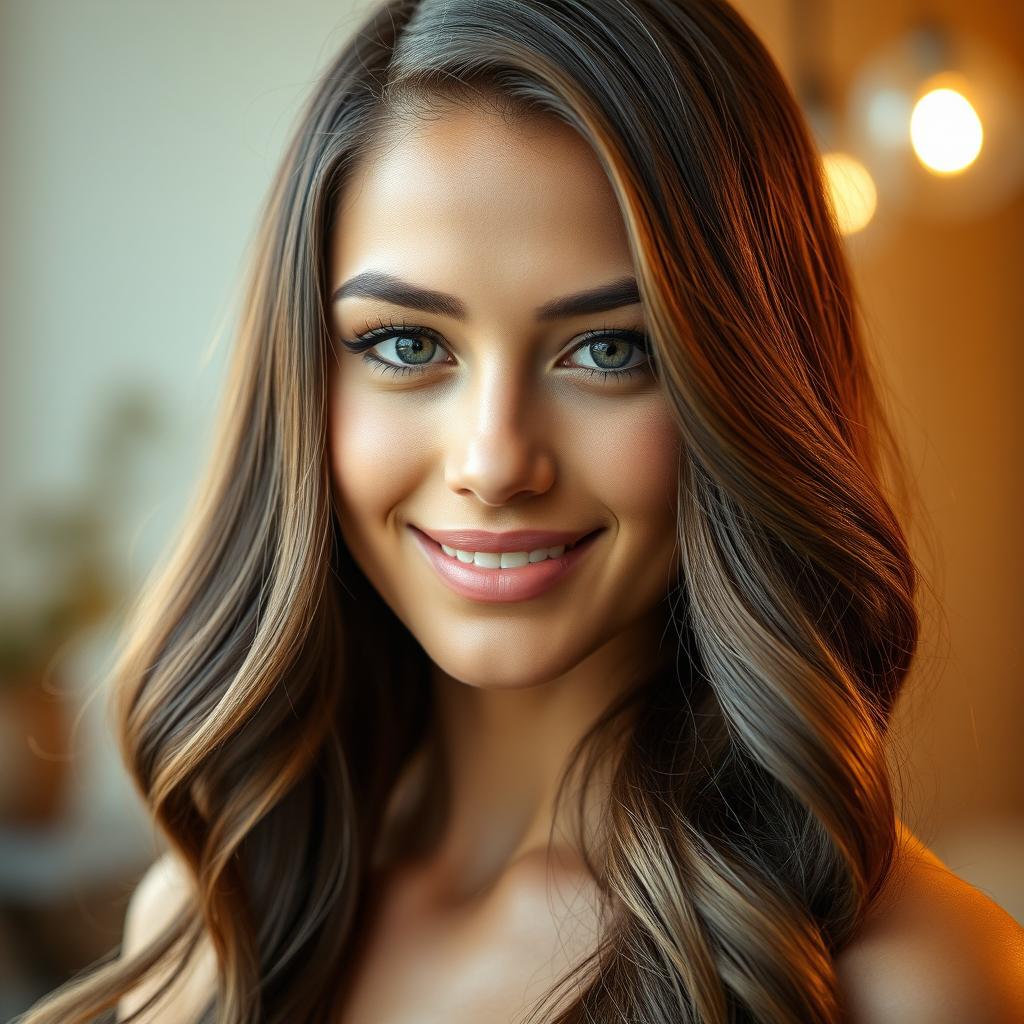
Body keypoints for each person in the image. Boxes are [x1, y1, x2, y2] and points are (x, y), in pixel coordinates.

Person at [17, 1, 1024, 1022]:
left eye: (608, 350)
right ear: (306, 380)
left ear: (752, 391)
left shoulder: (918, 981)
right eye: (407, 344)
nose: (494, 461)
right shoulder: (205, 924)